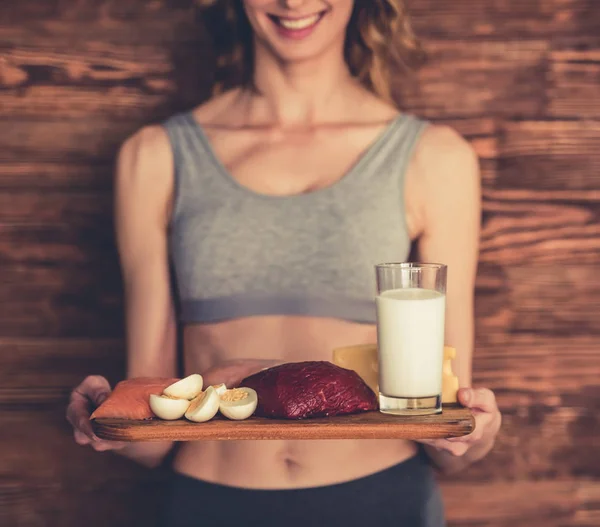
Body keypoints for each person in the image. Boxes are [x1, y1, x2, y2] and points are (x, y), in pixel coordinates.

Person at [67, 1, 501, 525]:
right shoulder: (154, 158)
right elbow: (153, 438)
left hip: (385, 501)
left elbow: (449, 431)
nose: (293, 1)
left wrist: (475, 435)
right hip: (210, 504)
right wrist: (110, 425)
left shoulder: (436, 158)